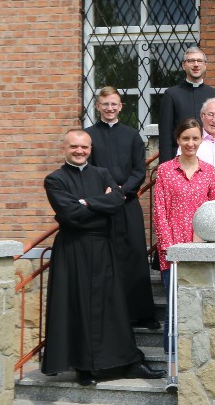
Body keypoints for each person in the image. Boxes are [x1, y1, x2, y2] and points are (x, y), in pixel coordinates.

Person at [42, 129, 165, 386]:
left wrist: (86, 203)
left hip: (103, 247)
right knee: (77, 306)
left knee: (112, 306)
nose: (80, 151)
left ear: (90, 149)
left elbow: (118, 200)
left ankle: (128, 363)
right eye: (74, 147)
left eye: (84, 147)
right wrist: (99, 202)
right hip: (72, 250)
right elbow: (70, 214)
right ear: (64, 148)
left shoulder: (101, 173)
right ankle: (83, 367)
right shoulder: (54, 180)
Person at [84, 86, 158, 330]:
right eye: (105, 104)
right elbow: (89, 170)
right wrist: (105, 193)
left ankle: (142, 314)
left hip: (128, 204)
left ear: (120, 106)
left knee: (135, 255)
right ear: (98, 106)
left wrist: (122, 191)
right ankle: (110, 314)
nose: (110, 108)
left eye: (114, 104)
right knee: (106, 259)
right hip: (102, 208)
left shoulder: (132, 135)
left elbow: (140, 170)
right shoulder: (89, 136)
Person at [153, 119, 215, 352]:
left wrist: (206, 244)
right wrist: (170, 249)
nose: (190, 143)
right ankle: (173, 362)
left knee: (200, 304)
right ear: (178, 140)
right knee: (174, 307)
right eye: (185, 138)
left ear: (201, 139)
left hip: (200, 248)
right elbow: (159, 211)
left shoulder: (209, 171)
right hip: (173, 251)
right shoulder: (165, 170)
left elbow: (212, 210)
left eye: (195, 138)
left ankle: (197, 356)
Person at [159, 47, 215, 163]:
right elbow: (165, 135)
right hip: (179, 159)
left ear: (205, 65)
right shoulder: (171, 94)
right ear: (183, 65)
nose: (196, 65)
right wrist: (165, 167)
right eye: (191, 61)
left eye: (199, 61)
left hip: (210, 159)